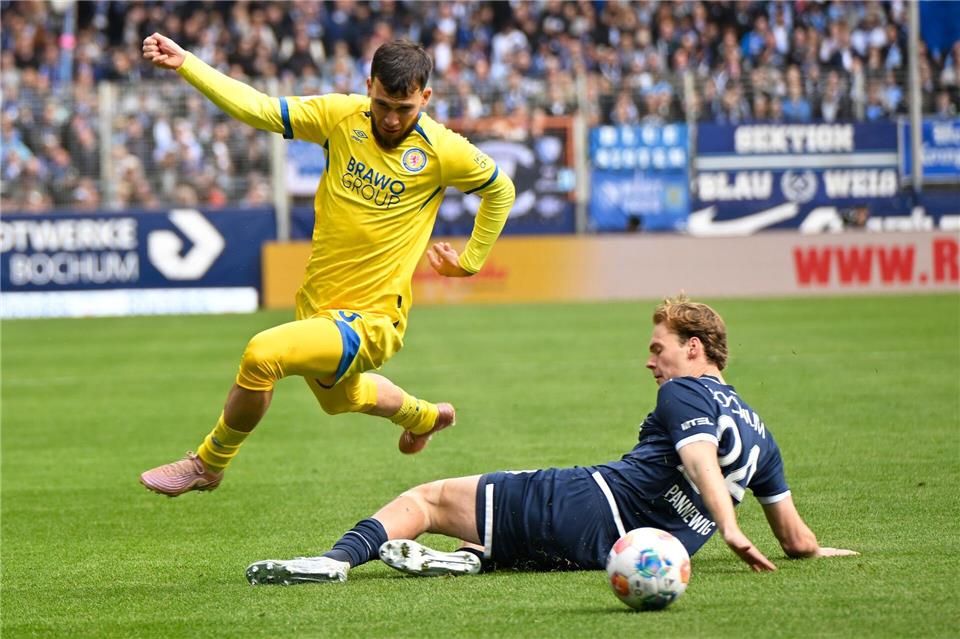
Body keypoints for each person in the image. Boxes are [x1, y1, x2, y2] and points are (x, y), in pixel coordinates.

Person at [245, 294, 858, 585]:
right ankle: (468, 559)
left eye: (659, 348)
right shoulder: (761, 433)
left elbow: (698, 457)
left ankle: (332, 562)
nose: (652, 362)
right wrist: (821, 552)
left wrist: (728, 526)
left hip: (590, 504)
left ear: (693, 349)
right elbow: (797, 539)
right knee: (503, 530)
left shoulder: (683, 393)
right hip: (629, 550)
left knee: (427, 499)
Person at [138, 33, 515, 496]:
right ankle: (425, 417)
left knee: (262, 355)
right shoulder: (340, 116)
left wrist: (470, 262)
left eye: (405, 108)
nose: (392, 119)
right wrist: (188, 63)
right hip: (318, 303)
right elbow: (259, 108)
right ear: (369, 85)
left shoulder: (442, 150)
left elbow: (501, 189)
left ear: (426, 97)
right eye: (382, 104)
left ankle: (208, 463)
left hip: (374, 319)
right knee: (343, 399)